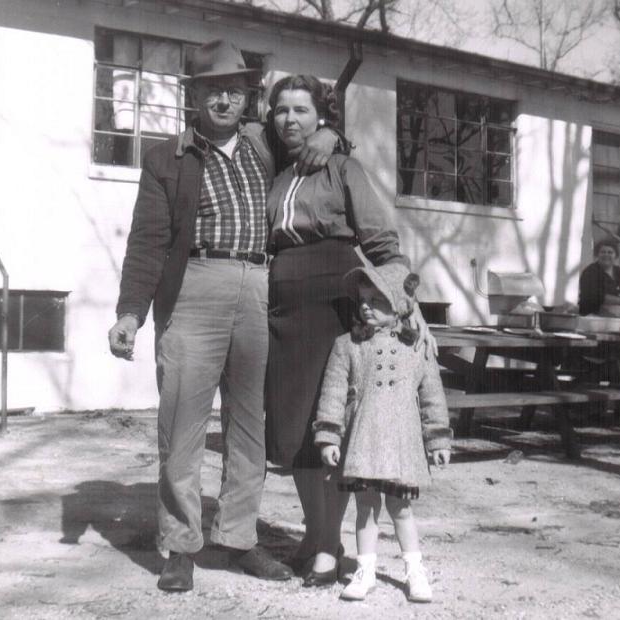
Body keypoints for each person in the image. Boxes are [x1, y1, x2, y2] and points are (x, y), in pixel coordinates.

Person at [107, 41, 339, 592]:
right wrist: (130, 313)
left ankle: (238, 539)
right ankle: (180, 545)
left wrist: (330, 133)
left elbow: (313, 133)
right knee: (182, 425)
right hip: (194, 286)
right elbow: (147, 242)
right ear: (195, 96)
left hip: (258, 286)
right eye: (213, 90)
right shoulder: (167, 159)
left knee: (249, 424)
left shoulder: (265, 145)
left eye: (233, 91)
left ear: (246, 98)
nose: (224, 100)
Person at [263, 74, 435, 587]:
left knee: (328, 420)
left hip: (331, 302)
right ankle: (316, 535)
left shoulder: (343, 168)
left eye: (301, 110)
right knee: (293, 428)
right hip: (282, 306)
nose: (290, 119)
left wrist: (408, 304)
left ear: (322, 116)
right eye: (281, 110)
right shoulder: (276, 172)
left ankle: (326, 545)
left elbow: (382, 243)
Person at [314, 263, 452, 603]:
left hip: (402, 443)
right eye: (362, 299)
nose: (365, 306)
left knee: (401, 508)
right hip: (363, 442)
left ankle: (414, 570)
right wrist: (329, 436)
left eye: (376, 300)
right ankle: (366, 571)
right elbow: (332, 393)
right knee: (365, 507)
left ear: (399, 305)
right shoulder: (347, 345)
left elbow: (432, 396)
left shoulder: (417, 348)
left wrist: (438, 440)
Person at [578, 239, 620, 317]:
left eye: (610, 252)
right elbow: (594, 296)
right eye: (603, 252)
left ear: (616, 256)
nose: (606, 255)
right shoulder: (590, 272)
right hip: (592, 316)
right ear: (597, 254)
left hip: (617, 317)